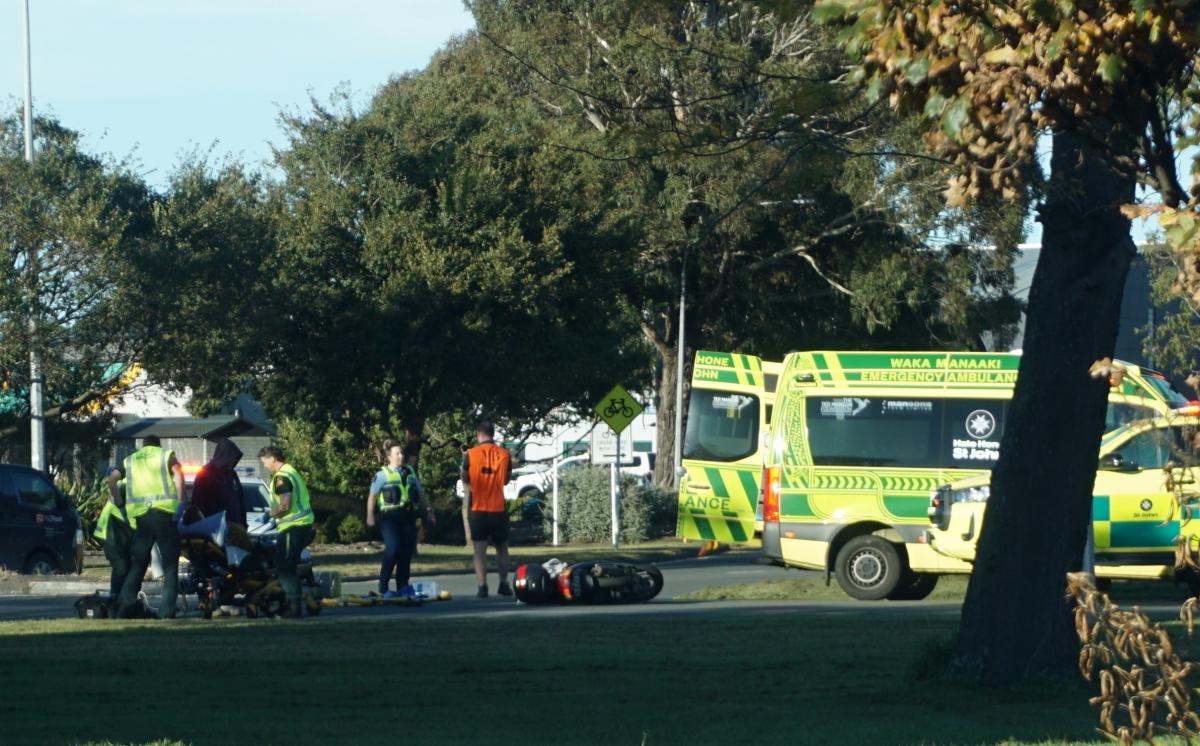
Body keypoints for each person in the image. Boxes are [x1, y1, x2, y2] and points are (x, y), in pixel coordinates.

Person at [107, 435, 186, 619]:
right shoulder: (165, 455)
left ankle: (123, 607)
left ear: (143, 447)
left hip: (142, 518)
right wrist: (182, 503)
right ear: (158, 445)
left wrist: (120, 505)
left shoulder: (130, 460)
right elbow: (179, 476)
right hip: (164, 515)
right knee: (169, 566)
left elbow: (111, 481)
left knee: (139, 563)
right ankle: (166, 612)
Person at [367, 439, 435, 598]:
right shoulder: (382, 475)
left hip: (407, 516)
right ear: (389, 457)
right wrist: (370, 515)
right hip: (389, 518)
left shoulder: (410, 472)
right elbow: (372, 496)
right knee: (393, 548)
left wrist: (429, 511)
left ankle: (403, 585)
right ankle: (383, 586)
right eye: (397, 453)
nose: (401, 456)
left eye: (402, 452)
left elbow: (420, 494)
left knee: (406, 551)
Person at [258, 445, 315, 619]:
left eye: (265, 462)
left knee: (284, 566)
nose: (264, 465)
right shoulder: (291, 471)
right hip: (302, 525)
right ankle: (293, 602)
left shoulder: (282, 476)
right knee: (287, 564)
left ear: (273, 459)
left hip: (294, 527)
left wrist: (269, 515)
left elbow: (284, 505)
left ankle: (294, 606)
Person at [461, 420, 512, 598]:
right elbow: (506, 480)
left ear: (479, 434)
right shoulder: (505, 454)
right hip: (498, 508)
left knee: (479, 549)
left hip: (478, 508)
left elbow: (465, 478)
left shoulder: (471, 454)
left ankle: (482, 587)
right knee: (502, 547)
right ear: (493, 433)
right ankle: (504, 583)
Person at [93, 486, 135, 607]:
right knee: (121, 566)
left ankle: (123, 602)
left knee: (126, 566)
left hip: (121, 530)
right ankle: (115, 601)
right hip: (112, 529)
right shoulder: (127, 483)